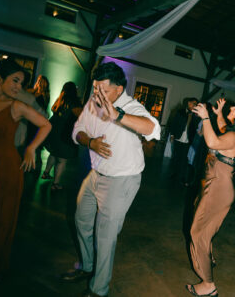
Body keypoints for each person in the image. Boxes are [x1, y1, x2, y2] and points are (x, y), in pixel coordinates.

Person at [60, 62, 161, 297]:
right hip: (95, 174)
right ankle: (87, 267)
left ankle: (99, 289)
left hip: (122, 180)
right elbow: (78, 129)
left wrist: (119, 115)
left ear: (119, 89)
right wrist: (90, 142)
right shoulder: (93, 102)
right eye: (95, 88)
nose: (97, 94)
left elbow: (152, 128)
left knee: (105, 237)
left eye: (103, 90)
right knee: (82, 221)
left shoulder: (131, 106)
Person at [0, 58, 51, 281]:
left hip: (7, 169)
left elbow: (47, 124)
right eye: (15, 80)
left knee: (2, 218)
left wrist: (32, 148)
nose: (19, 86)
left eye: (21, 82)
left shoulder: (17, 106)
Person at [185, 100, 235, 297]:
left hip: (218, 188)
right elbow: (222, 127)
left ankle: (208, 284)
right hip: (215, 186)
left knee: (198, 233)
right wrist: (219, 113)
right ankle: (208, 257)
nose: (232, 107)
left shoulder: (233, 136)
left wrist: (206, 117)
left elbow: (213, 142)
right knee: (203, 230)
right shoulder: (231, 133)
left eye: (234, 108)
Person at [42, 81, 82, 190]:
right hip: (65, 133)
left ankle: (45, 173)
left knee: (53, 153)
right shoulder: (74, 102)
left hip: (54, 131)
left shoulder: (60, 100)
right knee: (62, 159)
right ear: (74, 91)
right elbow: (81, 117)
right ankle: (55, 184)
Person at [170, 97, 199, 185]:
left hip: (187, 140)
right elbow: (174, 123)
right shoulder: (180, 112)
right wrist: (172, 135)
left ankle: (182, 176)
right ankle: (174, 173)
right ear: (189, 103)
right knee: (176, 156)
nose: (194, 105)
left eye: (195, 104)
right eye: (192, 103)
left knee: (183, 159)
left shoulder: (195, 115)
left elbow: (195, 127)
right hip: (178, 137)